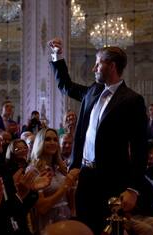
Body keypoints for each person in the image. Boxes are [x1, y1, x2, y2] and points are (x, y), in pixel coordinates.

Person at [49, 37, 147, 235]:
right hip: (86, 176)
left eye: (98, 63)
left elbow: (139, 147)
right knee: (86, 227)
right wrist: (56, 56)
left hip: (112, 179)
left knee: (110, 230)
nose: (94, 68)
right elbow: (65, 86)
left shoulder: (132, 100)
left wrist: (133, 189)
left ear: (111, 66)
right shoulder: (92, 92)